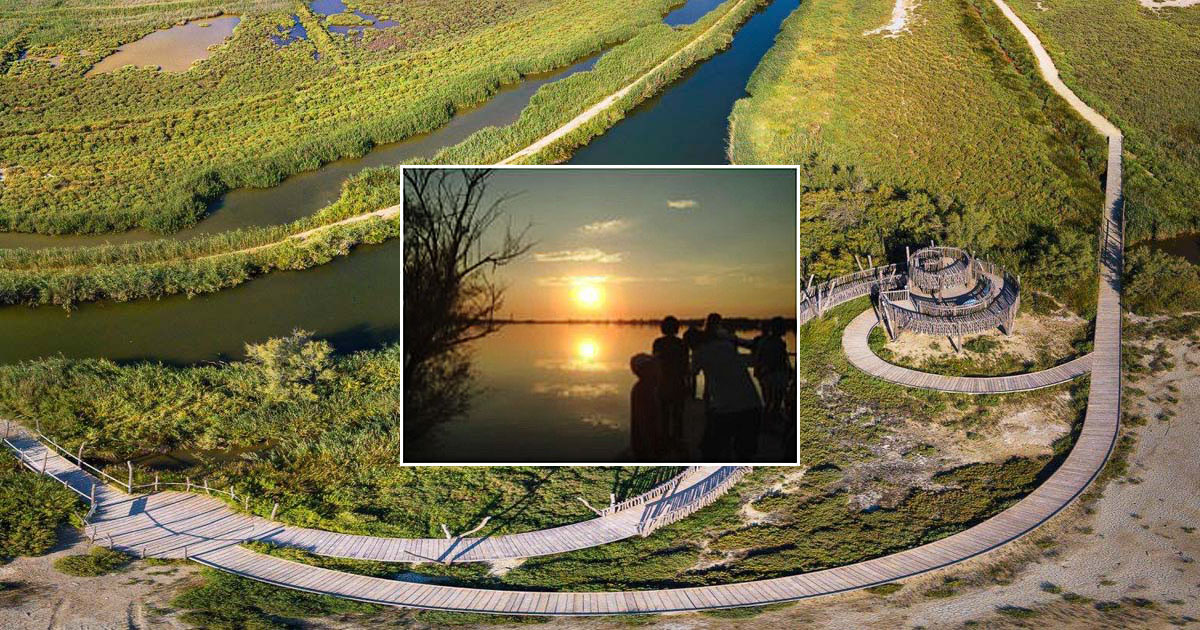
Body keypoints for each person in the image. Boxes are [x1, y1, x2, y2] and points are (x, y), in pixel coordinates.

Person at [691, 313, 763, 460]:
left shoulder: (700, 352)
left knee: (711, 451)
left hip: (726, 408)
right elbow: (752, 345)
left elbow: (692, 372)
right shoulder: (727, 344)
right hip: (752, 404)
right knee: (744, 454)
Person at [652, 316, 688, 446]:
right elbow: (685, 365)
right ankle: (678, 439)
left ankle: (665, 439)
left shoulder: (658, 343)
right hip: (678, 381)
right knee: (678, 414)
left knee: (664, 414)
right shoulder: (682, 343)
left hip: (664, 381)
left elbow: (655, 362)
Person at [752, 316, 791, 429]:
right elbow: (777, 360)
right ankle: (767, 424)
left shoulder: (773, 342)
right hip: (773, 375)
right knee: (773, 401)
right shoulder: (773, 343)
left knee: (772, 401)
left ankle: (768, 422)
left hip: (772, 375)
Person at [629, 353, 665, 461]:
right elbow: (643, 422)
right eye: (654, 367)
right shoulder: (642, 390)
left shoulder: (651, 388)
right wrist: (651, 449)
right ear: (644, 371)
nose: (659, 369)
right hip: (646, 448)